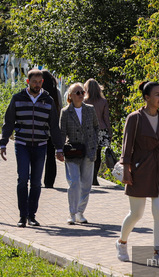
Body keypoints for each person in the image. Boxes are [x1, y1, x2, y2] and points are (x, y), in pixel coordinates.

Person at [115, 81, 159, 266]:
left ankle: (158, 252)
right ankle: (121, 242)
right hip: (140, 169)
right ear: (146, 97)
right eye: (157, 94)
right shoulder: (135, 118)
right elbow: (127, 147)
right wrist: (126, 170)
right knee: (136, 213)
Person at [0, 67, 64, 227]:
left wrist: (59, 148)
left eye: (39, 82)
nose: (37, 84)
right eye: (34, 82)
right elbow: (9, 121)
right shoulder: (18, 98)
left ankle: (32, 215)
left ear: (42, 82)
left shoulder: (48, 101)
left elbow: (54, 126)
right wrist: (3, 141)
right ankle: (22, 216)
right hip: (22, 144)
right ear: (28, 82)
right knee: (23, 179)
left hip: (40, 145)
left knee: (36, 182)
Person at [60, 82, 98, 224]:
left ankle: (80, 212)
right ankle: (72, 213)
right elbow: (62, 132)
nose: (81, 95)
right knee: (74, 182)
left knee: (86, 184)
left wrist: (94, 144)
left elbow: (96, 127)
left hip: (89, 151)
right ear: (70, 95)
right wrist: (59, 150)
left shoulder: (90, 109)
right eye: (77, 93)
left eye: (82, 92)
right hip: (73, 152)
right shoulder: (65, 112)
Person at [83, 79, 111, 186]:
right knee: (98, 154)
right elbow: (106, 118)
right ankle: (95, 177)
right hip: (101, 129)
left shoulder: (85, 101)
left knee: (88, 154)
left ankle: (88, 177)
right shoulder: (103, 102)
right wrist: (109, 132)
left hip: (88, 129)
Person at [42, 69, 62, 188]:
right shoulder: (56, 93)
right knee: (50, 156)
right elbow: (60, 108)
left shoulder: (38, 93)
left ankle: (36, 179)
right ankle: (49, 181)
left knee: (37, 156)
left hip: (39, 130)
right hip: (52, 129)